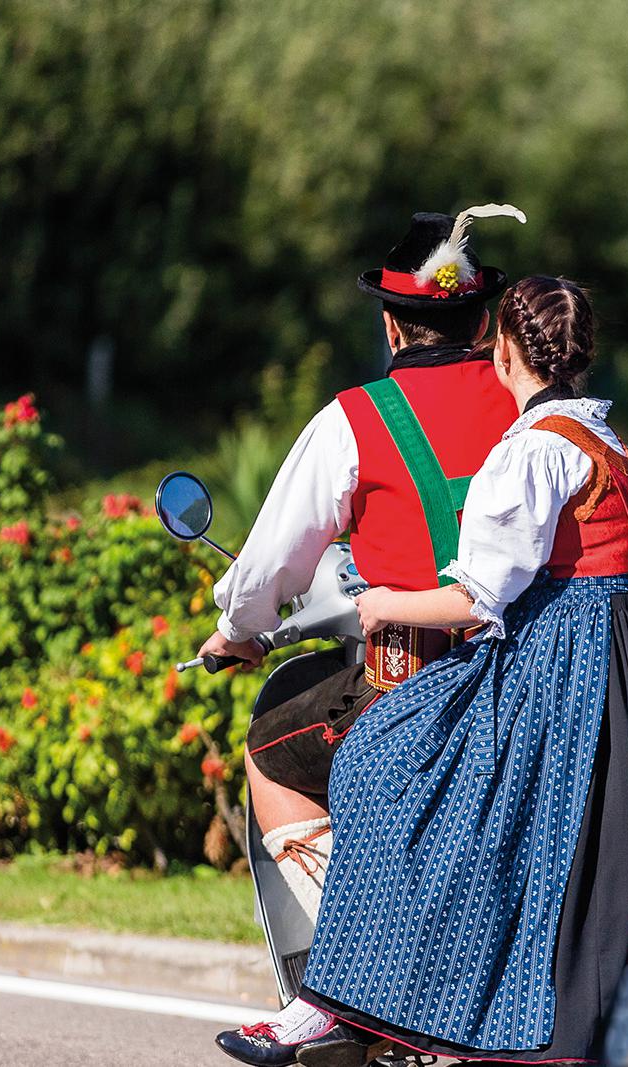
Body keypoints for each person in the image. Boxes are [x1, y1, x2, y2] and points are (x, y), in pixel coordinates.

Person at [217, 277, 628, 1067]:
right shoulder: (609, 444)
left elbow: (474, 596)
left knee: (370, 761)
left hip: (544, 674)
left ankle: (342, 998)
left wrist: (286, 619)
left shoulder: (508, 445)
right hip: (616, 674)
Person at [196, 206, 527, 950]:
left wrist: (236, 629)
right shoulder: (530, 412)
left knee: (272, 753)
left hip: (408, 688)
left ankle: (351, 961)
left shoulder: (355, 420)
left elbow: (270, 560)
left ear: (390, 326)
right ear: (482, 325)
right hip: (526, 686)